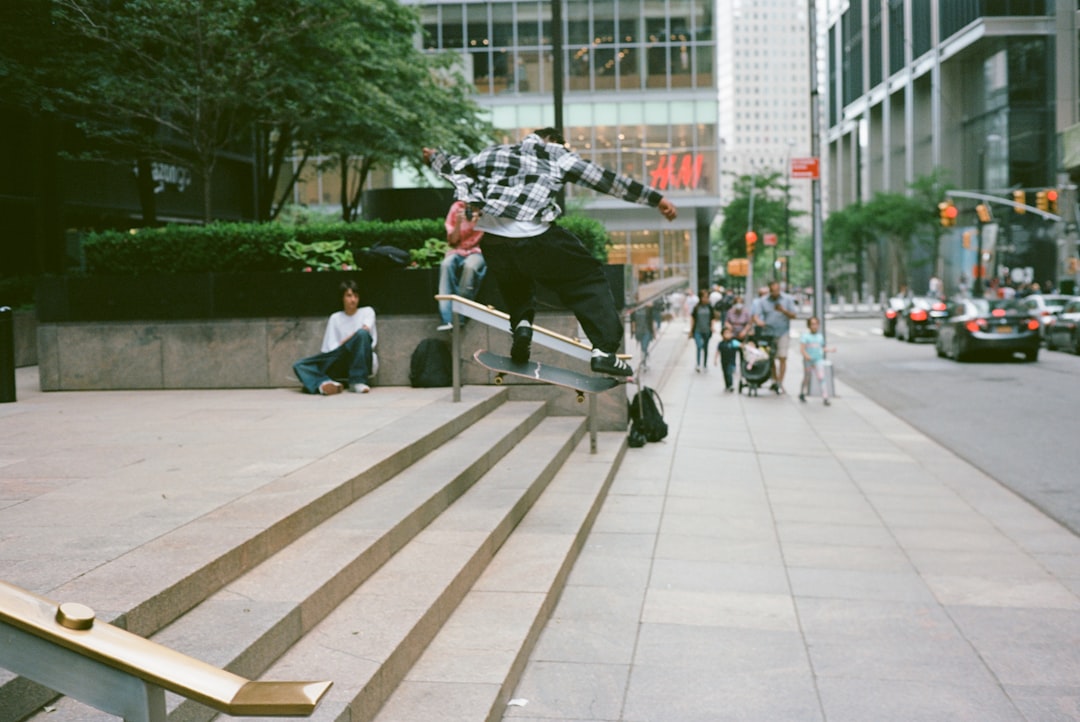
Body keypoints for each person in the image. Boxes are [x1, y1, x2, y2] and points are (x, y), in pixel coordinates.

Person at [423, 128, 677, 377]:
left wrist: (434, 156)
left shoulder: (496, 152)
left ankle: (521, 326)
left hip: (494, 242)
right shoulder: (556, 154)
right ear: (554, 141)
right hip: (535, 236)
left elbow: (454, 165)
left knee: (516, 284)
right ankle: (604, 352)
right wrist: (656, 199)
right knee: (587, 279)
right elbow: (604, 179)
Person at [293, 279, 377, 395]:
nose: (353, 300)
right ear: (342, 298)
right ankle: (325, 384)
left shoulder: (367, 311)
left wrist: (347, 341)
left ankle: (357, 382)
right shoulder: (335, 317)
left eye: (356, 296)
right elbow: (330, 349)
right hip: (340, 357)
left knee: (362, 335)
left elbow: (364, 330)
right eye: (349, 296)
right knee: (299, 365)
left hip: (362, 358)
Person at [436, 199, 486, 331]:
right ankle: (447, 319)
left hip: (479, 251)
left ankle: (460, 317)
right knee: (446, 265)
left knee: (470, 267)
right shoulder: (457, 207)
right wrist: (458, 223)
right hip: (458, 250)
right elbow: (452, 241)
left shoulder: (485, 208)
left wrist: (480, 219)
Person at [751, 280, 798, 394]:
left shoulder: (787, 299)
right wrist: (759, 321)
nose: (775, 293)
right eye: (773, 291)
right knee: (770, 358)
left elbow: (794, 315)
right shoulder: (763, 301)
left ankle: (780, 382)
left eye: (777, 290)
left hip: (783, 332)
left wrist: (783, 310)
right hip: (769, 333)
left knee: (782, 357)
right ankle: (774, 380)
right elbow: (756, 315)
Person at [798, 316, 835, 406]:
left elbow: (822, 348)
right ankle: (802, 392)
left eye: (816, 324)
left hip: (818, 360)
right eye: (812, 324)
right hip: (808, 361)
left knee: (821, 377)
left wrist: (830, 350)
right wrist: (807, 356)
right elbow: (802, 349)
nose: (814, 326)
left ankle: (825, 397)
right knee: (807, 377)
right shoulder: (805, 336)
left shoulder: (819, 337)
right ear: (809, 326)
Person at [689, 289, 714, 372]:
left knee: (706, 347)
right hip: (698, 330)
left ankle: (705, 364)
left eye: (707, 297)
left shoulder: (709, 307)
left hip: (706, 330)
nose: (706, 299)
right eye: (704, 297)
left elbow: (712, 318)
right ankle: (698, 364)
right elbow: (693, 318)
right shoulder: (697, 308)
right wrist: (691, 330)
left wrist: (712, 327)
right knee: (699, 346)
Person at [715, 324, 741, 392]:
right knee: (725, 373)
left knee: (729, 373)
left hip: (731, 361)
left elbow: (740, 346)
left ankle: (731, 385)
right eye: (726, 333)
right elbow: (718, 351)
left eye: (729, 333)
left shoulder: (733, 342)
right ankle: (727, 385)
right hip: (724, 361)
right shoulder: (721, 343)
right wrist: (715, 359)